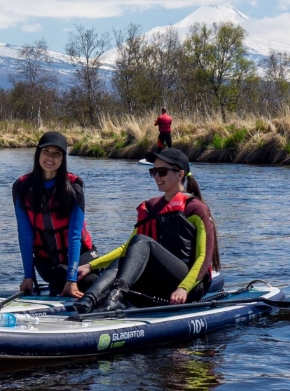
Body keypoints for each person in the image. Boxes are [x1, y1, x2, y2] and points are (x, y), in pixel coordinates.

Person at [72, 148, 220, 313]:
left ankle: (116, 296)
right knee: (125, 257)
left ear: (180, 174)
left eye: (162, 172)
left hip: (188, 288)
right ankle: (90, 298)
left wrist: (184, 288)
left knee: (142, 241)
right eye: (153, 171)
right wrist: (90, 266)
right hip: (159, 285)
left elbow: (203, 258)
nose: (156, 176)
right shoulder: (151, 208)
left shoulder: (196, 209)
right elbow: (127, 249)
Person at [13, 131, 101, 298]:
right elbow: (25, 235)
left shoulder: (74, 188)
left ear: (63, 158)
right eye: (46, 151)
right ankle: (63, 282)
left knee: (90, 282)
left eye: (57, 153)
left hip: (82, 254)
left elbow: (75, 235)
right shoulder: (21, 188)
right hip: (48, 260)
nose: (50, 158)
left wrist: (72, 279)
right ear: (38, 154)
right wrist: (28, 277)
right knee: (59, 276)